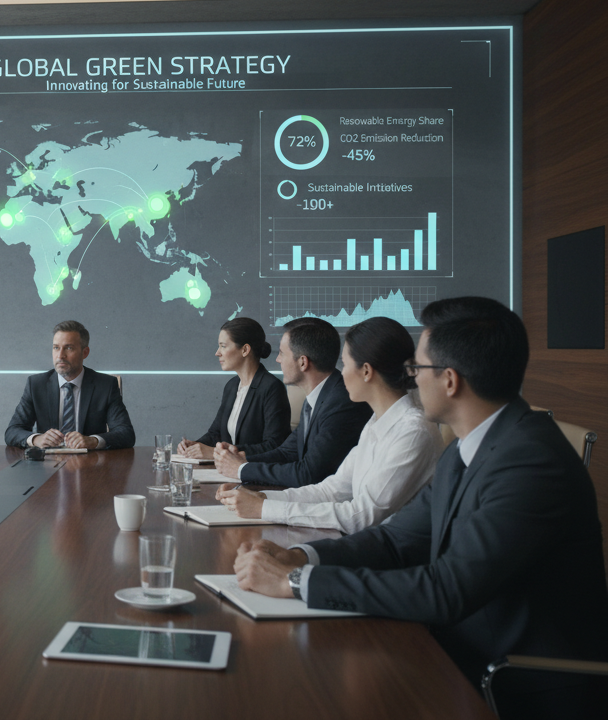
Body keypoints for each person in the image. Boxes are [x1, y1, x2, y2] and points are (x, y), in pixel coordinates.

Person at [232, 297, 608, 717]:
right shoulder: (468, 447)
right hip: (454, 649)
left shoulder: (532, 463)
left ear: (449, 380)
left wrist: (298, 581)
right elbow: (396, 540)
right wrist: (299, 555)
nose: (409, 378)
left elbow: (447, 589)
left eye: (418, 369)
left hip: (513, 680)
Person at [216, 317, 442, 533]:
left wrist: (264, 508)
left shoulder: (412, 432)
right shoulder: (376, 423)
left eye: (345, 364)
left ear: (366, 371)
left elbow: (360, 516)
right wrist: (259, 498)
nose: (340, 373)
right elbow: (332, 490)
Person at [213, 317, 372, 487]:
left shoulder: (342, 403)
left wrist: (241, 469)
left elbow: (308, 474)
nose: (277, 360)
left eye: (282, 353)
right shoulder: (317, 396)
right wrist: (241, 458)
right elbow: (287, 452)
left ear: (303, 362)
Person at [4, 320, 135, 450]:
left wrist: (93, 441)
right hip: (48, 465)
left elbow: (126, 434)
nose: (60, 356)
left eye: (69, 348)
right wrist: (37, 439)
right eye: (56, 348)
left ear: (85, 352)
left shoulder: (105, 385)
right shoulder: (36, 385)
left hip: (90, 465)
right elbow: (12, 431)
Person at [178, 317, 291, 459]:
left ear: (245, 350)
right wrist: (195, 446)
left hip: (254, 474)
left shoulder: (272, 387)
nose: (217, 352)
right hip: (227, 471)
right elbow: (216, 434)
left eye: (223, 346)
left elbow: (274, 445)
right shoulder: (231, 386)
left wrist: (217, 453)